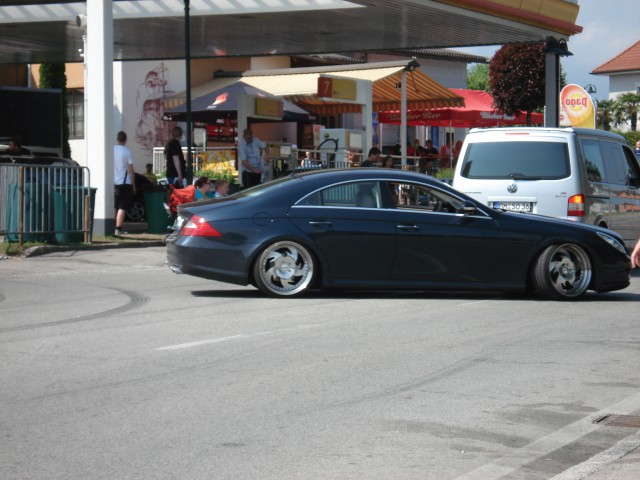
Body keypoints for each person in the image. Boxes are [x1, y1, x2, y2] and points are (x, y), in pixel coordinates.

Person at [113, 131, 136, 236]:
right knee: (122, 207)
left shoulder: (111, 149)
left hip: (113, 182)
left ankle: (111, 227)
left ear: (117, 139)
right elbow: (131, 170)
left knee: (114, 206)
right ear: (125, 140)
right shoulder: (127, 151)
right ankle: (118, 228)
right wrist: (133, 185)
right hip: (124, 182)